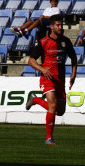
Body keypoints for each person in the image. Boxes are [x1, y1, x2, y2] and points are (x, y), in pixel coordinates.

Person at [25, 14, 77, 145]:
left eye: (61, 25)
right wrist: (42, 69)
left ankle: (35, 99)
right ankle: (49, 138)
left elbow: (74, 58)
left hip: (60, 79)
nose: (60, 27)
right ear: (52, 27)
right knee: (53, 105)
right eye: (58, 25)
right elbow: (30, 61)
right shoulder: (43, 42)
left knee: (59, 111)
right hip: (47, 78)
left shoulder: (66, 41)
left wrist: (73, 74)